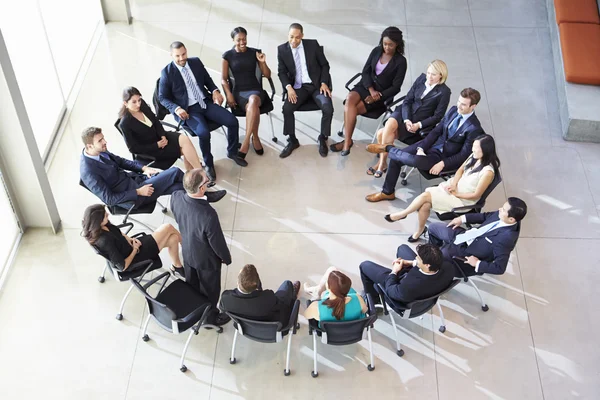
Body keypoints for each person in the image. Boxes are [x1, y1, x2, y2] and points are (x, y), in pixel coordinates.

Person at [365, 88, 485, 202]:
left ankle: (388, 148)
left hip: (442, 158)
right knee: (396, 158)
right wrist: (422, 147)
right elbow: (437, 131)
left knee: (413, 160)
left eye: (463, 104)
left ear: (473, 106)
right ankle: (387, 192)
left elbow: (463, 155)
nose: (459, 106)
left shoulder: (474, 128)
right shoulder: (454, 110)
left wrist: (443, 163)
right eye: (459, 101)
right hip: (430, 145)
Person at [158, 41, 247, 183]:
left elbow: (207, 80)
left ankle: (232, 151)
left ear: (186, 51)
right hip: (189, 110)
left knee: (232, 121)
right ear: (171, 55)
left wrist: (215, 91)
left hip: (205, 102)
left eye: (183, 54)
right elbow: (162, 97)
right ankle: (209, 164)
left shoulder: (195, 62)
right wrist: (177, 108)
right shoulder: (167, 73)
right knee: (203, 133)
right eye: (177, 56)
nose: (181, 58)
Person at [385, 134, 500, 242]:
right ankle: (419, 230)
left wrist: (456, 194)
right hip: (453, 188)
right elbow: (460, 170)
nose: (473, 150)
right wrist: (454, 184)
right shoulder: (474, 156)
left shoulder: (488, 172)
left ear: (485, 150)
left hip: (462, 200)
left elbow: (476, 195)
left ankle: (403, 214)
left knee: (426, 196)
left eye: (476, 148)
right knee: (425, 204)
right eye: (473, 147)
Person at [330, 27, 407, 156]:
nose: (387, 47)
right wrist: (370, 89)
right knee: (349, 99)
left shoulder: (401, 62)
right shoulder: (376, 51)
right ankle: (348, 141)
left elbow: (396, 87)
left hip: (381, 95)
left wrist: (378, 95)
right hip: (366, 86)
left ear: (397, 44)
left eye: (390, 45)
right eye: (385, 44)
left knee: (353, 109)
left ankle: (346, 143)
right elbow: (365, 71)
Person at [368, 60, 451, 177]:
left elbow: (438, 116)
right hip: (404, 113)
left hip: (418, 124)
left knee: (382, 134)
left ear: (441, 76)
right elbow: (407, 100)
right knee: (389, 124)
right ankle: (382, 164)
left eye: (433, 74)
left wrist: (419, 125)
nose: (429, 77)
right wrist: (407, 119)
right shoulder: (421, 79)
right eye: (428, 73)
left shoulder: (444, 92)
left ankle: (381, 163)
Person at [170, 169, 232, 326]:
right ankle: (210, 318)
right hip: (206, 261)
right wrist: (226, 258)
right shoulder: (208, 214)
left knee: (193, 286)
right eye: (207, 180)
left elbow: (178, 217)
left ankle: (195, 310)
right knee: (210, 292)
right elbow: (216, 243)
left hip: (188, 253)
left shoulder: (176, 197)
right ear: (202, 188)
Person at [79, 127, 184, 208]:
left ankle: (196, 193)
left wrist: (144, 168)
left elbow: (121, 161)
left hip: (135, 180)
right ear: (89, 146)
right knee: (175, 172)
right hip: (134, 196)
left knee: (178, 187)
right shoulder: (88, 171)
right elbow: (109, 199)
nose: (105, 142)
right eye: (100, 140)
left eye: (103, 138)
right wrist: (138, 192)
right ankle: (199, 184)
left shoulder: (100, 150)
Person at [428, 197, 527, 277]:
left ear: (511, 219)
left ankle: (433, 269)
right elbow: (484, 216)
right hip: (467, 236)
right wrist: (462, 219)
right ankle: (432, 251)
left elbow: (499, 268)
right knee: (433, 228)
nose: (499, 209)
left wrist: (477, 263)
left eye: (503, 210)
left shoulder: (506, 239)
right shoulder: (502, 215)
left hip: (467, 252)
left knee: (440, 255)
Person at [277, 22, 334, 158]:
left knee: (328, 108)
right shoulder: (282, 49)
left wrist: (324, 82)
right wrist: (288, 87)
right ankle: (292, 140)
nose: (294, 41)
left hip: (315, 86)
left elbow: (325, 65)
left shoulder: (312, 45)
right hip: (298, 88)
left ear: (302, 36)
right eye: (291, 37)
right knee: (287, 109)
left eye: (297, 37)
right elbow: (282, 72)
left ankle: (322, 137)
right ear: (288, 35)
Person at [82, 204, 184, 276]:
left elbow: (119, 232)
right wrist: (135, 249)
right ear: (98, 221)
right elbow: (123, 266)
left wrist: (130, 239)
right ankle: (187, 245)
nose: (108, 215)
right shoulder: (104, 241)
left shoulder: (103, 226)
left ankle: (177, 266)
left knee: (173, 239)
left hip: (131, 246)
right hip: (134, 258)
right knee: (167, 227)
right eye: (105, 215)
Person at [119, 86, 204, 171]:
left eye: (139, 100)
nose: (138, 104)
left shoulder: (142, 105)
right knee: (186, 150)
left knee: (185, 140)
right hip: (151, 149)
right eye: (134, 102)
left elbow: (155, 121)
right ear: (125, 103)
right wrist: (157, 145)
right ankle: (198, 175)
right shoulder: (125, 123)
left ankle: (196, 174)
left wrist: (162, 135)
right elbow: (133, 148)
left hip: (160, 137)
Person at [221, 27, 271, 159]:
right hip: (239, 92)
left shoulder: (255, 52)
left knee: (253, 100)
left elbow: (267, 74)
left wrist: (262, 62)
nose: (242, 42)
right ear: (233, 40)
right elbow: (223, 79)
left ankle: (246, 141)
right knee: (251, 106)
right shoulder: (227, 56)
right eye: (239, 40)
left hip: (256, 90)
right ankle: (255, 137)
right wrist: (229, 94)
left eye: (244, 39)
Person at [359, 244, 454, 306]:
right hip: (429, 284)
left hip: (399, 288)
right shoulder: (449, 268)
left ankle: (373, 300)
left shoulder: (410, 286)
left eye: (419, 258)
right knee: (402, 248)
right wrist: (411, 263)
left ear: (427, 265)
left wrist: (394, 272)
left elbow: (391, 291)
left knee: (365, 265)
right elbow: (421, 266)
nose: (416, 257)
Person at [220, 264, 301, 326]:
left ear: (237, 282)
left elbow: (223, 309)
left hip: (245, 327)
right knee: (287, 284)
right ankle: (292, 295)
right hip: (274, 327)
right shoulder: (268, 298)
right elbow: (281, 305)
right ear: (257, 283)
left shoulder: (225, 298)